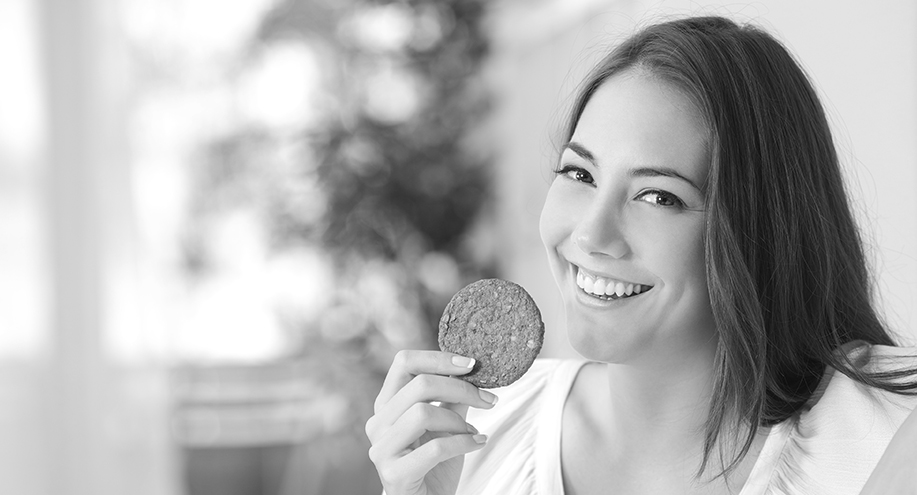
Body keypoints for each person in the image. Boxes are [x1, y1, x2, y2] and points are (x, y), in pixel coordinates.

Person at [364, 15, 917, 495]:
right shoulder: (474, 434)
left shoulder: (889, 433)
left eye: (659, 196)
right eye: (579, 173)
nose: (590, 235)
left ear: (762, 230)